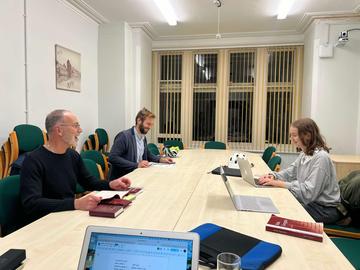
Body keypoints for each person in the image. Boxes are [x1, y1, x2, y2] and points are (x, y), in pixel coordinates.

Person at [20, 109, 131, 221]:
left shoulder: (72, 155)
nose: (80, 130)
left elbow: (88, 182)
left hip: (68, 216)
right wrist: (76, 203)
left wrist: (110, 185)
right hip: (44, 222)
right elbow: (32, 203)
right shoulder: (33, 160)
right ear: (59, 130)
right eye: (75, 126)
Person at [258, 118, 341, 224]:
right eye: (290, 135)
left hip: (324, 210)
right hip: (312, 204)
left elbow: (308, 193)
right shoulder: (305, 153)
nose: (291, 139)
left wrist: (279, 183)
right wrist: (273, 176)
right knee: (278, 205)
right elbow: (290, 172)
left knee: (283, 213)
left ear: (307, 135)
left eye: (294, 135)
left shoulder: (321, 158)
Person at [109, 108, 173, 179]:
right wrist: (136, 165)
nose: (150, 127)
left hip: (138, 175)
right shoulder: (124, 136)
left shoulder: (143, 137)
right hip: (123, 178)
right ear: (139, 120)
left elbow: (148, 155)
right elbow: (113, 157)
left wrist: (161, 159)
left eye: (151, 125)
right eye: (148, 124)